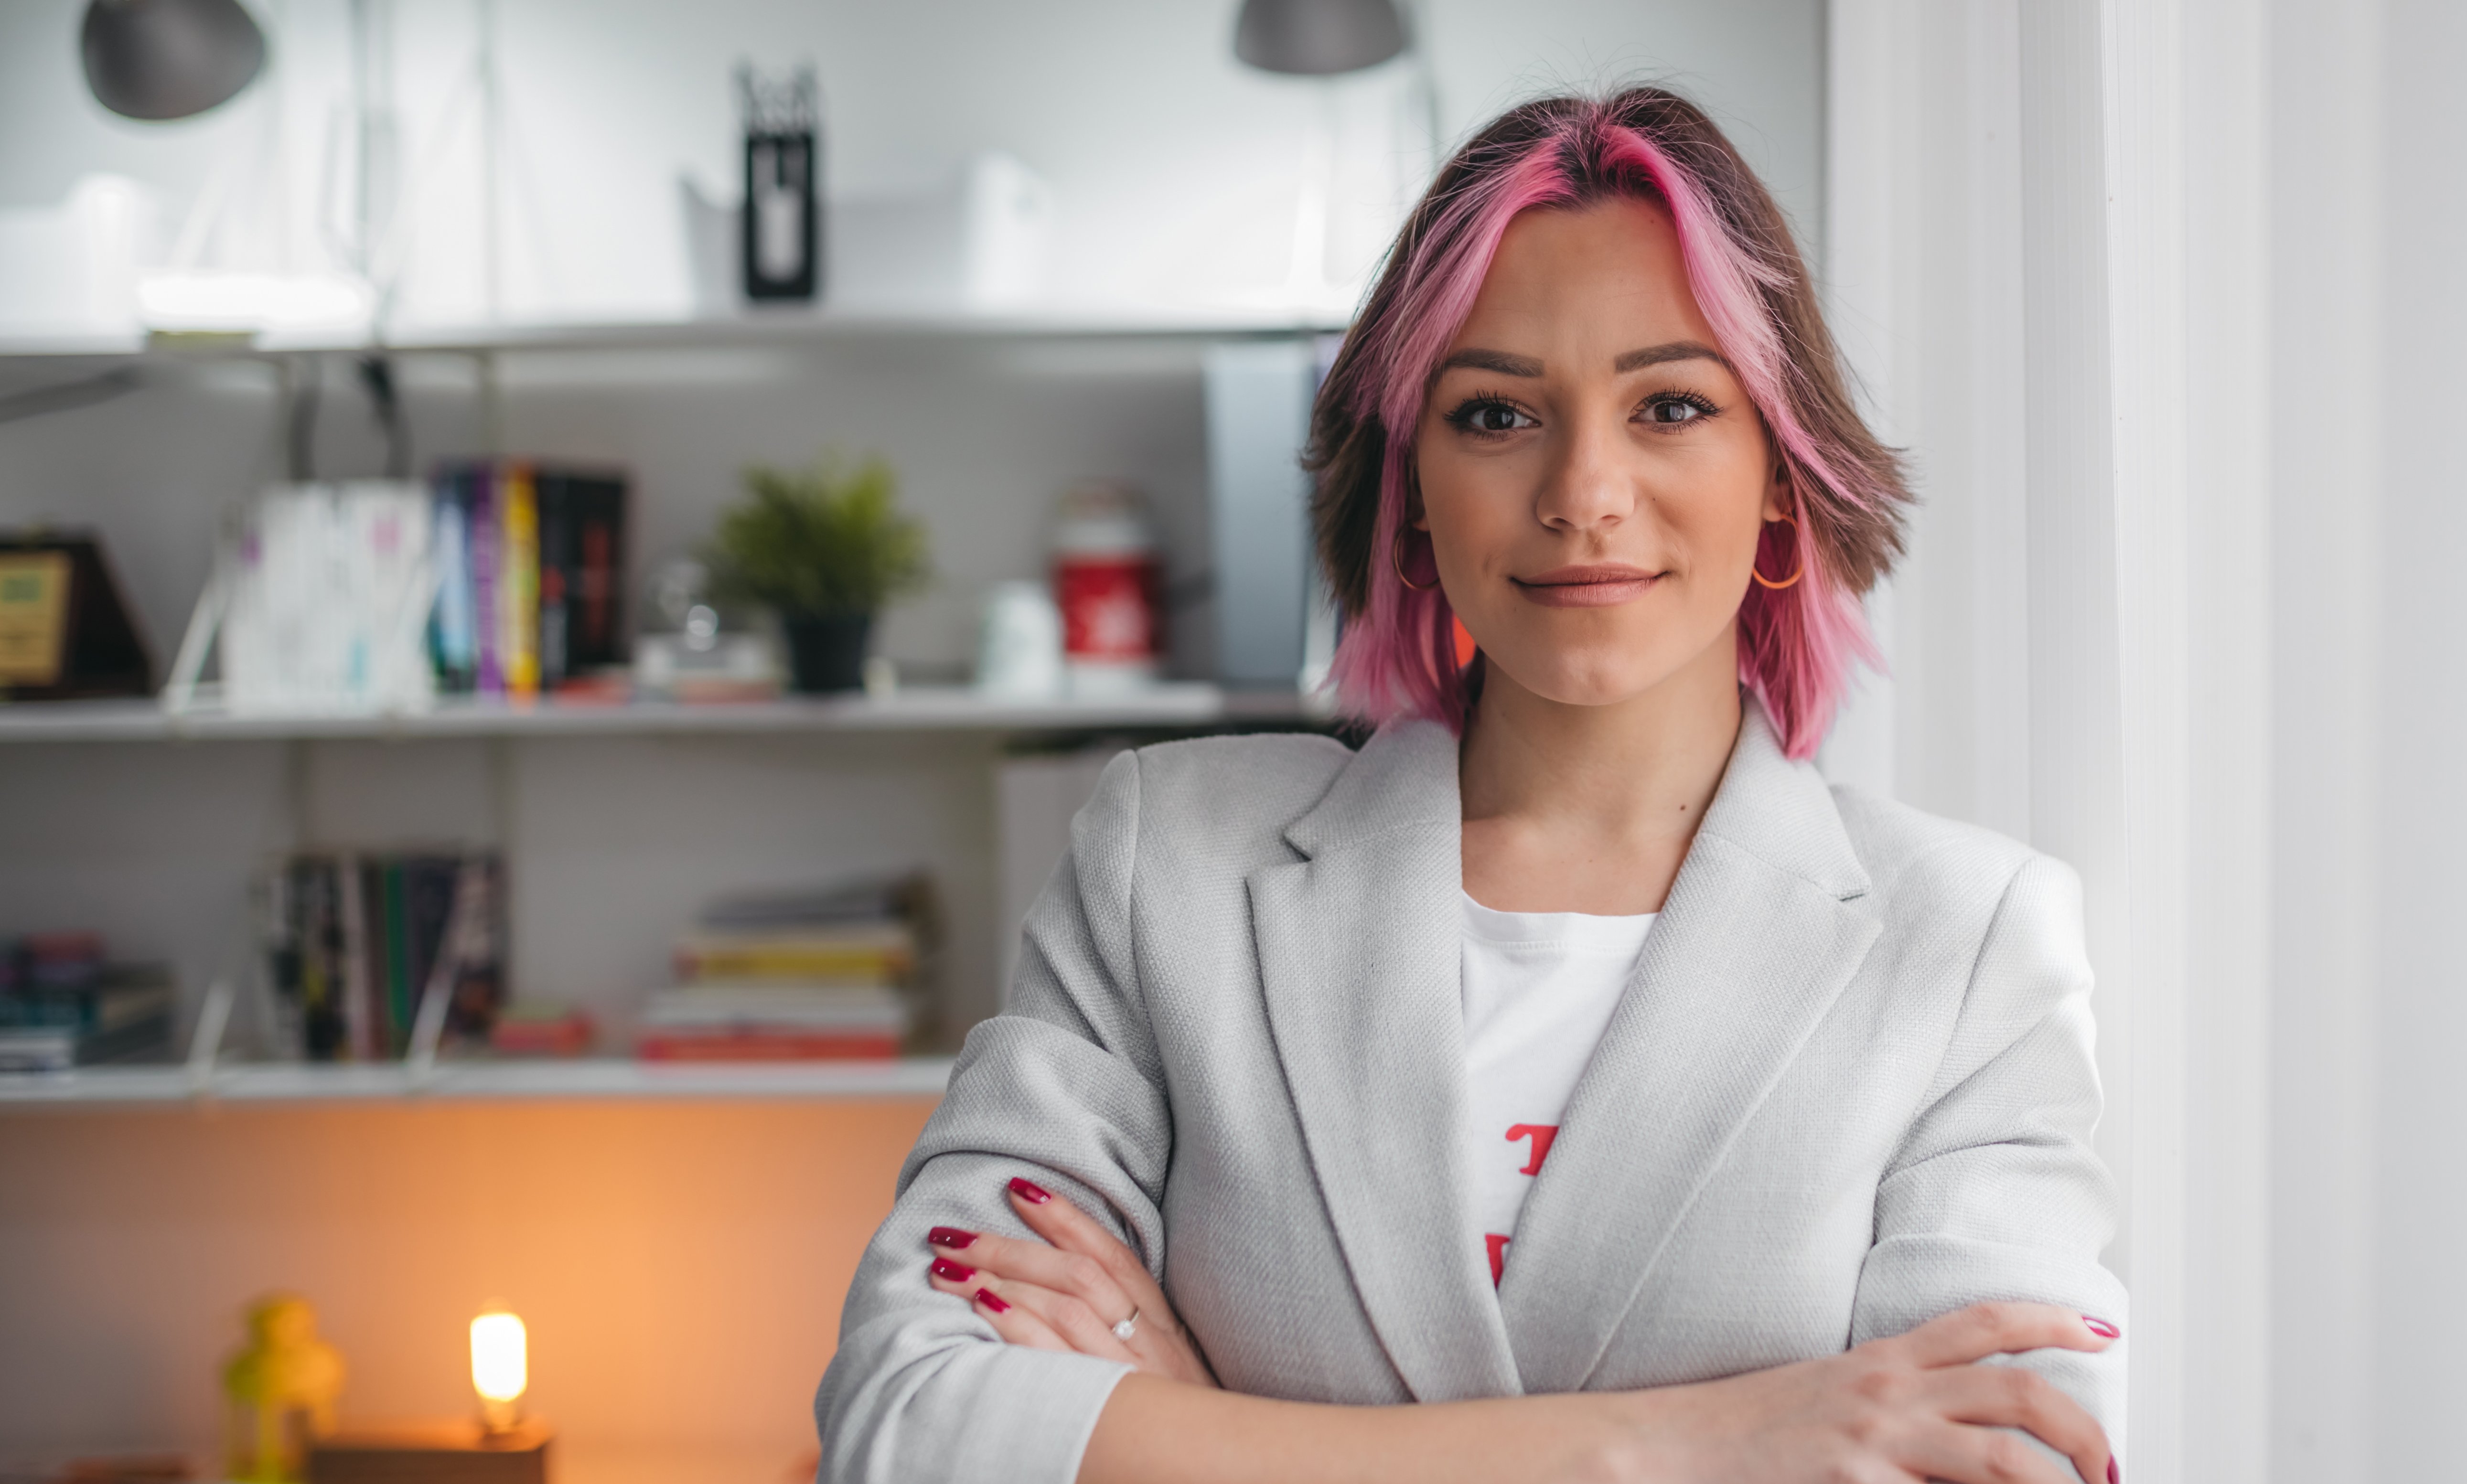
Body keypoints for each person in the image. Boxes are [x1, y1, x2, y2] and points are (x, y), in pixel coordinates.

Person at [816, 87, 2126, 1484]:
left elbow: (2013, 1462)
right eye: (1498, 412)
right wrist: (1706, 1439)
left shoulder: (1976, 943)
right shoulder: (1167, 865)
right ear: (1412, 493)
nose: (1584, 490)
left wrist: (1203, 1433)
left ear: (1781, 479)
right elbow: (909, 1424)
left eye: (1671, 404)